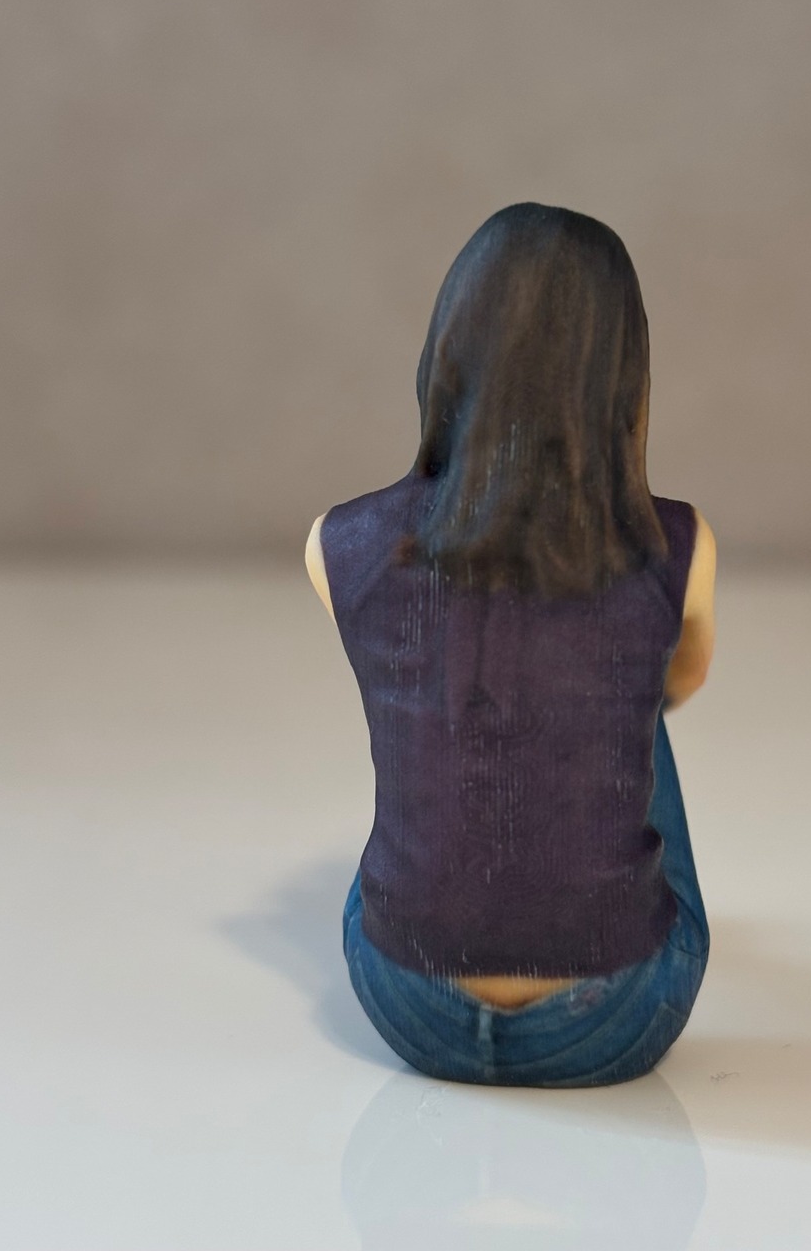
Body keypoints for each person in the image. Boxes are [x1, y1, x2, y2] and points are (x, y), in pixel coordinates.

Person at [304, 202, 716, 1087]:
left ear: (448, 355)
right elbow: (686, 679)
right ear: (622, 377)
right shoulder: (676, 545)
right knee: (642, 702)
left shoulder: (338, 543)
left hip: (409, 1005)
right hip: (617, 1018)